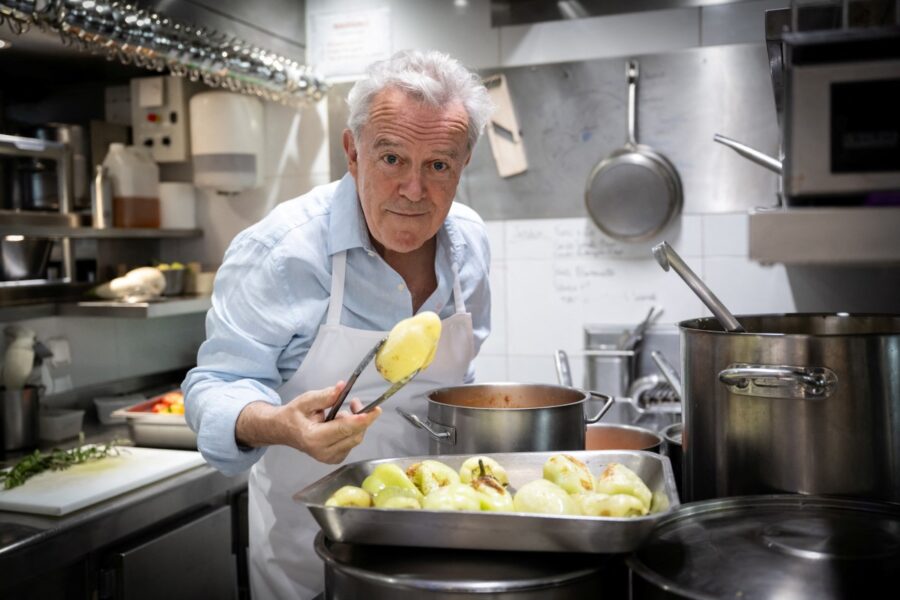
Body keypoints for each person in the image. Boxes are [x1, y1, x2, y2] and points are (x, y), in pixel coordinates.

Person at [183, 48, 494, 599]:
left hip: (438, 545)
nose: (414, 190)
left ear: (463, 164)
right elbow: (215, 387)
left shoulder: (469, 244)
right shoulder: (281, 252)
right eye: (392, 158)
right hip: (310, 554)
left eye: (438, 165)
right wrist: (281, 425)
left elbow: (459, 388)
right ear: (353, 152)